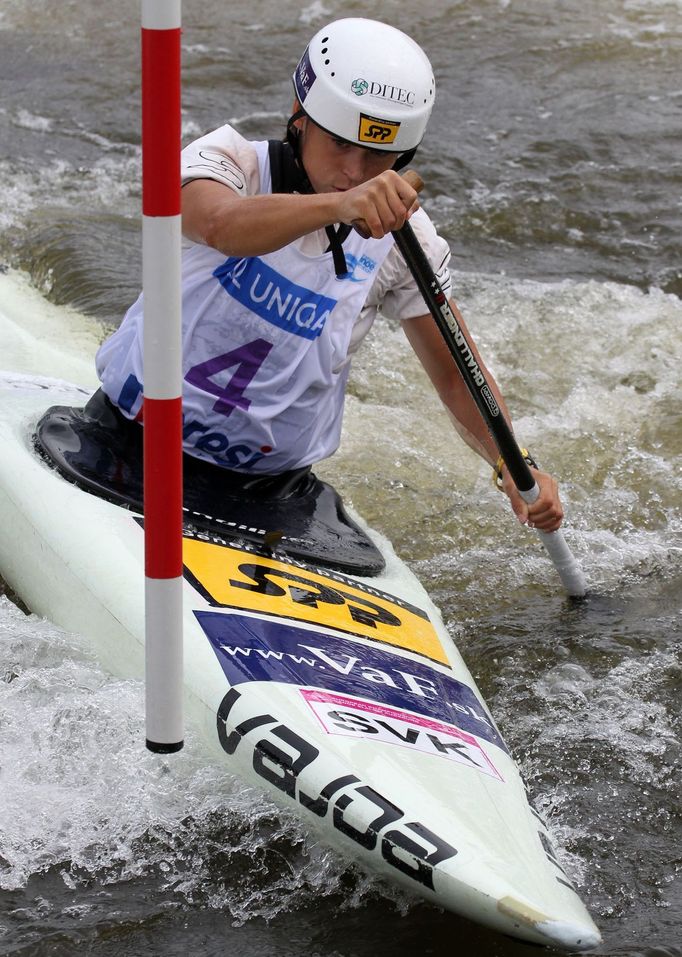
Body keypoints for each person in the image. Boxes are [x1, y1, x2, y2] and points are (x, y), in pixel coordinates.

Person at [95, 17, 563, 534]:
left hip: (272, 492)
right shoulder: (227, 161)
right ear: (299, 116)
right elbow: (218, 225)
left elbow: (456, 375)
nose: (355, 171)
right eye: (340, 144)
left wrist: (513, 462)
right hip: (125, 441)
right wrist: (338, 206)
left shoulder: (408, 239)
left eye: (379, 155)